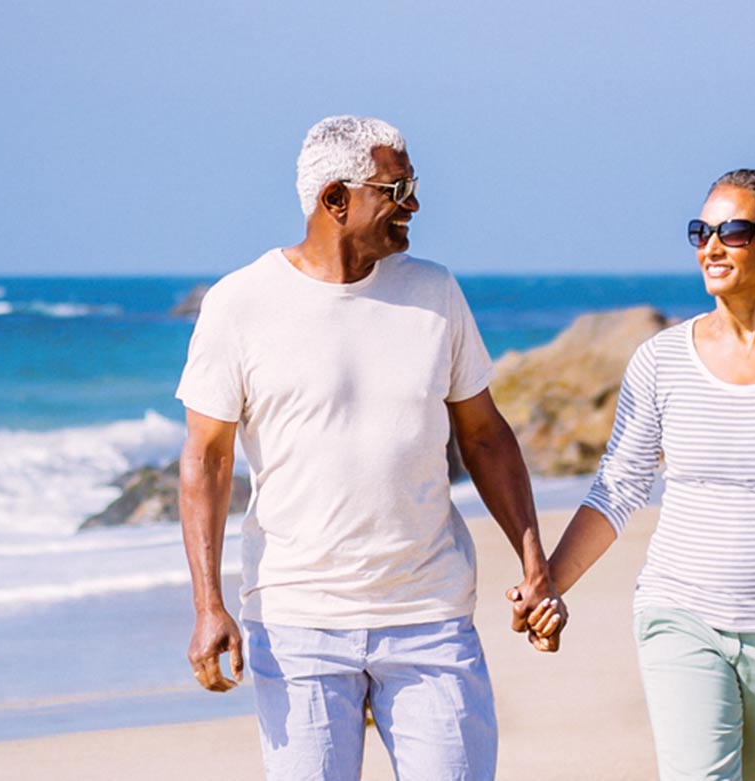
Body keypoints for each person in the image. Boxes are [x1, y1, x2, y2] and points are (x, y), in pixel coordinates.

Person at [177, 115, 562, 780]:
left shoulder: (435, 291)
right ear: (335, 199)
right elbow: (206, 459)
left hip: (430, 615)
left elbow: (485, 434)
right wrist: (208, 604)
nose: (414, 205)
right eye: (397, 188)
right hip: (297, 622)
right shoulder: (240, 304)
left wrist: (535, 563)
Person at [519, 169, 755, 781]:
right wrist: (548, 585)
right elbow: (619, 488)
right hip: (680, 613)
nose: (711, 247)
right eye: (701, 231)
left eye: (734, 231)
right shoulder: (662, 359)